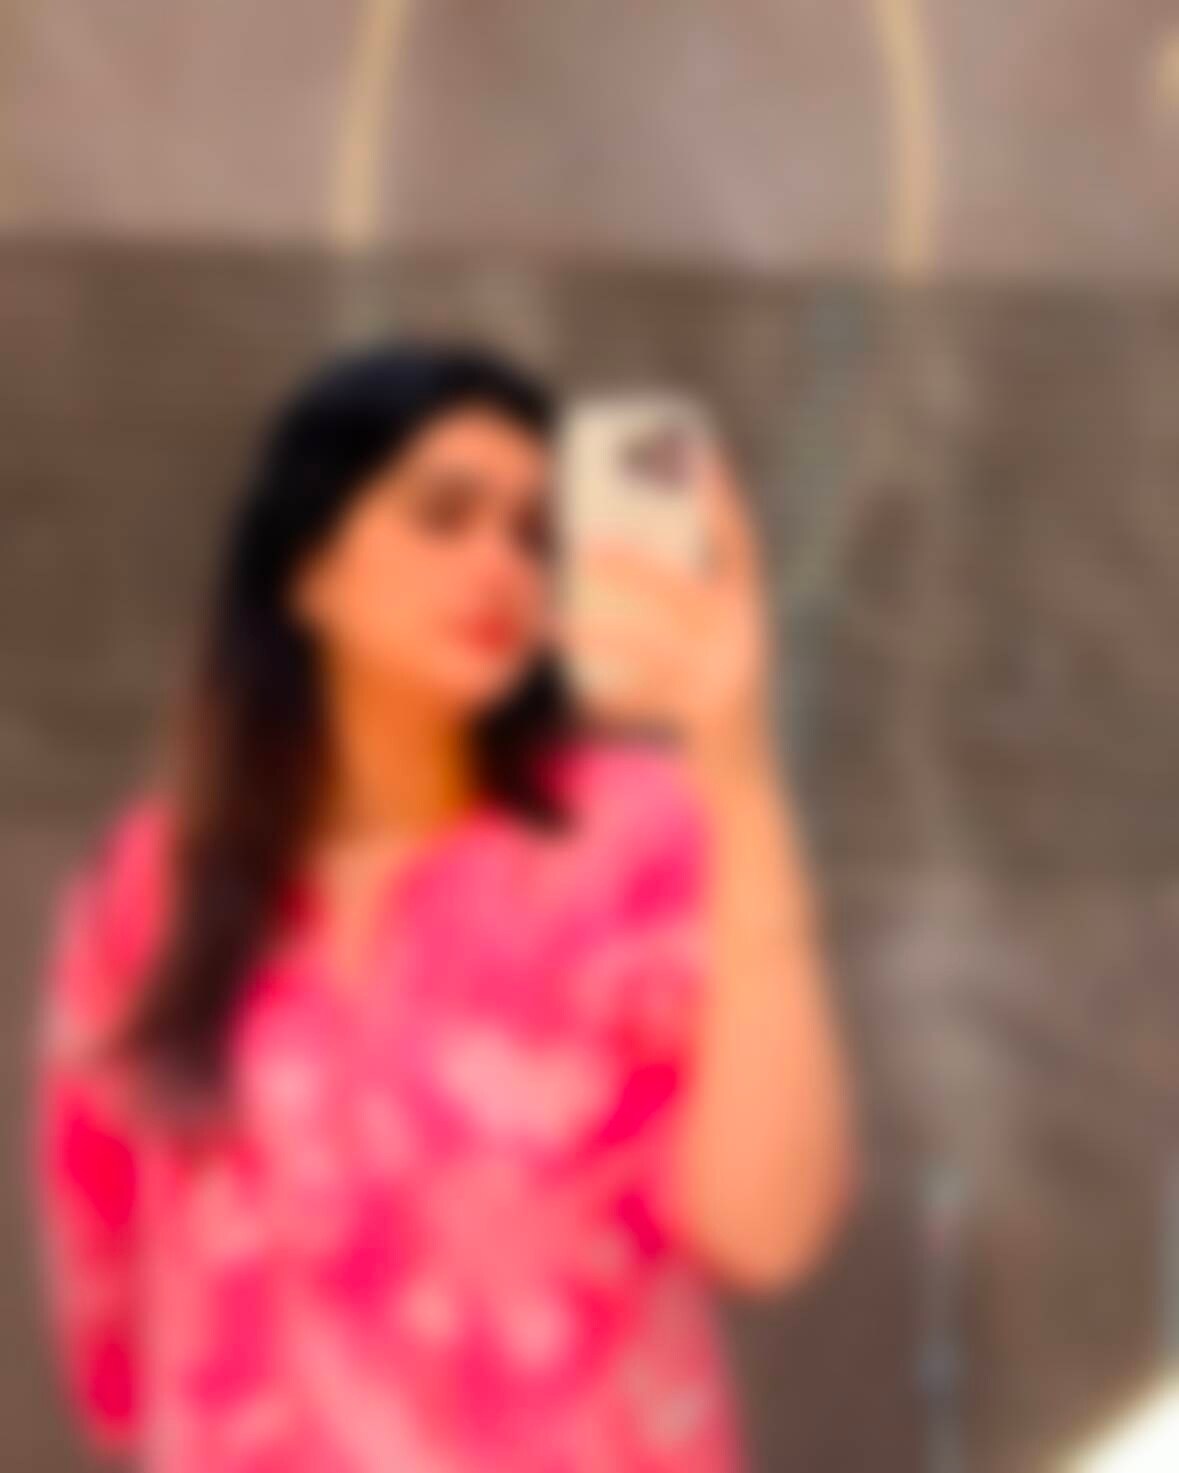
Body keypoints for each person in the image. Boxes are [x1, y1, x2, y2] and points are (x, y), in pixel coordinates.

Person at [33, 343, 856, 1473]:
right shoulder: (155, 882)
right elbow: (108, 1297)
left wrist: (737, 762)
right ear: (308, 568)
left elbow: (765, 1230)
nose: (497, 563)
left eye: (532, 533)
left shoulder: (633, 838)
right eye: (444, 515)